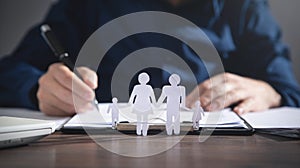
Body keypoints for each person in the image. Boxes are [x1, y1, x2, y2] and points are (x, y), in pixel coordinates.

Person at [0, 0, 299, 116]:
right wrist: (38, 87)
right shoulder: (85, 4)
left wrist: (268, 92)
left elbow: (288, 90)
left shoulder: (245, 7)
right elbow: (9, 71)